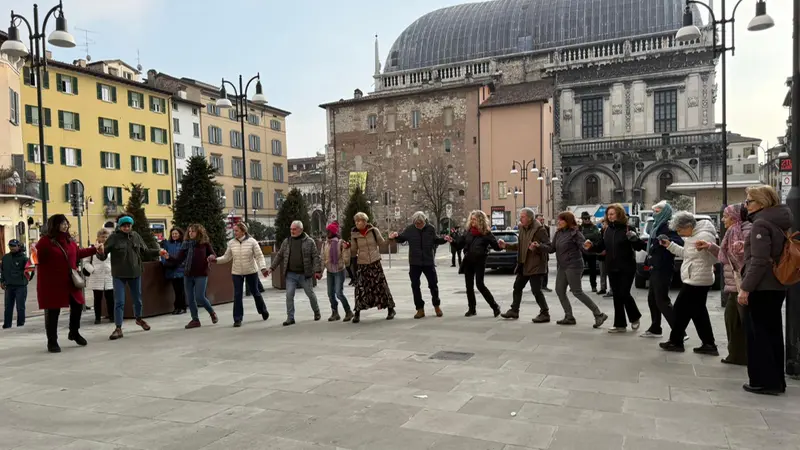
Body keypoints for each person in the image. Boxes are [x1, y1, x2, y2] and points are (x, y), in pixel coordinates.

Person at [738, 185, 791, 395]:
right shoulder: (778, 221)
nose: (746, 205)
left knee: (758, 335)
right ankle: (776, 380)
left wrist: (745, 288)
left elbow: (759, 261)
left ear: (761, 202)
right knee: (773, 333)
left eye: (749, 201)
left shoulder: (760, 224)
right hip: (776, 285)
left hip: (761, 286)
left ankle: (763, 381)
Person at [97, 215, 167, 341]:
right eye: (124, 226)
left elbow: (145, 251)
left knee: (138, 300)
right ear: (120, 226)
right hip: (119, 274)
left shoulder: (136, 236)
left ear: (131, 226)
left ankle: (139, 319)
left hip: (135, 273)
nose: (126, 228)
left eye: (128, 226)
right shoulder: (114, 238)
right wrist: (100, 252)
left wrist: (159, 252)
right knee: (119, 301)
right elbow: (103, 255)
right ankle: (118, 328)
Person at [658, 212, 718, 355]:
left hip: (697, 279)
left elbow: (713, 259)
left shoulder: (704, 235)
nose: (679, 233)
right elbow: (687, 253)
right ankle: (708, 344)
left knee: (680, 310)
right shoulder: (693, 235)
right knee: (698, 312)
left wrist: (705, 248)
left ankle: (676, 341)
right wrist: (670, 245)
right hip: (695, 277)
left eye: (680, 230)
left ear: (688, 226)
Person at [36, 214, 98, 352]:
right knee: (53, 311)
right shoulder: (45, 242)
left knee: (78, 305)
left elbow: (78, 254)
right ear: (54, 225)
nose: (65, 226)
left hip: (70, 281)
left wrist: (95, 249)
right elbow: (37, 259)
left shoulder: (69, 241)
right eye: (62, 223)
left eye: (66, 223)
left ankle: (74, 332)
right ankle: (52, 341)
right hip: (52, 283)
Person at [701, 203, 750, 365]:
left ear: (735, 217)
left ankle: (743, 356)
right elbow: (726, 256)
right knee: (732, 319)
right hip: (734, 285)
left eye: (725, 216)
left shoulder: (744, 231)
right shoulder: (733, 231)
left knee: (740, 321)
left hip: (742, 285)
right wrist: (710, 247)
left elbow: (744, 259)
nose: (723, 220)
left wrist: (741, 248)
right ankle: (737, 355)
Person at [585, 204, 644, 333]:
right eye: (608, 214)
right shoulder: (606, 230)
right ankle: (620, 324)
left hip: (627, 267)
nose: (610, 216)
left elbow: (639, 247)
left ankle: (634, 317)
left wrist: (634, 239)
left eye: (612, 214)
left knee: (624, 293)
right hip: (612, 267)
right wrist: (591, 247)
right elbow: (601, 246)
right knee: (616, 295)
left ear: (619, 214)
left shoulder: (628, 228)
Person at [548, 212, 608, 328]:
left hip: (573, 265)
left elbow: (584, 247)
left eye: (561, 220)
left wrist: (589, 246)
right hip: (563, 266)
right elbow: (551, 248)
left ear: (568, 221)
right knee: (559, 290)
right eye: (558, 219)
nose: (559, 222)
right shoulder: (559, 233)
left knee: (577, 292)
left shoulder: (575, 233)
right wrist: (538, 247)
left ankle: (599, 314)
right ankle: (569, 316)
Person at [389, 211, 451, 319]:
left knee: (433, 284)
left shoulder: (430, 229)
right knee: (415, 286)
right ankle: (420, 309)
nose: (419, 225)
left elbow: (436, 240)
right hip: (415, 262)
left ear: (424, 221)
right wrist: (396, 236)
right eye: (416, 223)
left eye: (420, 223)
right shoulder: (410, 229)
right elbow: (402, 238)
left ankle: (437, 306)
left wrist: (444, 240)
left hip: (428, 261)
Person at [210, 222, 269, 327]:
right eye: (234, 231)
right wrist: (216, 260)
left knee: (255, 292)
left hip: (251, 271)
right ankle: (237, 319)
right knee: (237, 295)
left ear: (243, 231)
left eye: (237, 231)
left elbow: (259, 256)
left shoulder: (252, 242)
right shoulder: (231, 243)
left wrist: (263, 268)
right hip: (237, 272)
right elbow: (226, 257)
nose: (235, 233)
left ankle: (263, 310)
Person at [641, 200, 683, 339]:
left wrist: (667, 240)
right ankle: (655, 328)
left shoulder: (668, 227)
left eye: (657, 211)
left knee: (662, 300)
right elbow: (652, 247)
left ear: (665, 212)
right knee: (652, 299)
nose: (654, 213)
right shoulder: (656, 227)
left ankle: (679, 331)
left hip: (663, 267)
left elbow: (678, 241)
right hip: (655, 267)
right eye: (654, 211)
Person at [268, 220, 323, 326]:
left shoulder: (309, 241)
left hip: (304, 274)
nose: (292, 231)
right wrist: (272, 268)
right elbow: (280, 255)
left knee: (310, 294)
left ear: (301, 230)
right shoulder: (287, 241)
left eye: (294, 229)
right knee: (289, 295)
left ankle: (316, 311)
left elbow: (315, 257)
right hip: (291, 274)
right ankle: (290, 318)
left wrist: (317, 271)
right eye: (291, 229)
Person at [501, 207, 551, 322]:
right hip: (523, 264)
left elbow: (549, 246)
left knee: (536, 290)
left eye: (522, 217)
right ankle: (514, 310)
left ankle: (545, 313)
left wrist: (537, 247)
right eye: (520, 217)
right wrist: (506, 245)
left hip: (536, 265)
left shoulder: (540, 229)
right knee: (517, 287)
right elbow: (521, 246)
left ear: (529, 218)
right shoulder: (522, 228)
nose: (520, 219)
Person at [167, 224, 218, 329]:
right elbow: (178, 259)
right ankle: (195, 320)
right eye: (189, 231)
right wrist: (168, 257)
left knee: (200, 297)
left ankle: (212, 312)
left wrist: (211, 257)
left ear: (199, 233)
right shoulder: (186, 244)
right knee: (190, 298)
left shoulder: (204, 244)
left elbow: (213, 254)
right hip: (188, 274)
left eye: (193, 231)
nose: (190, 233)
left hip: (201, 274)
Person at [457, 210, 505, 317]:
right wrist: (452, 240)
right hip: (468, 261)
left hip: (479, 261)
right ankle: (472, 309)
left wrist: (501, 246)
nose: (472, 221)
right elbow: (459, 244)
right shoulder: (468, 232)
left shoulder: (486, 233)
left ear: (480, 220)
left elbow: (496, 247)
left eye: (474, 219)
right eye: (471, 219)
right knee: (469, 286)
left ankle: (495, 306)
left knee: (480, 284)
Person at [349, 212, 395, 323]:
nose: (357, 223)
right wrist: (348, 247)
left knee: (381, 286)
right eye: (356, 221)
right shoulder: (354, 234)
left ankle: (390, 309)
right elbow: (354, 251)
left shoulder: (374, 231)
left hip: (375, 262)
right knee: (360, 288)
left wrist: (390, 239)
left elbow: (382, 244)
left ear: (365, 221)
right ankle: (357, 313)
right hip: (362, 263)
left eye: (359, 221)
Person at [321, 222, 353, 322]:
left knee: (339, 293)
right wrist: (320, 271)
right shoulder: (325, 244)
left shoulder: (340, 243)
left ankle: (348, 311)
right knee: (330, 293)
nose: (327, 233)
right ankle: (335, 313)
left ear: (334, 232)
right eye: (327, 231)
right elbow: (322, 258)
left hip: (339, 270)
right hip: (330, 271)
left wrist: (346, 249)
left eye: (329, 231)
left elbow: (346, 259)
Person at [84, 229, 114, 324]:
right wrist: (92, 270)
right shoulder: (92, 248)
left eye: (106, 237)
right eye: (102, 237)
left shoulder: (111, 247)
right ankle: (97, 318)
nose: (104, 239)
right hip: (96, 276)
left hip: (109, 276)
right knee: (97, 299)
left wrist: (113, 269)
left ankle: (112, 317)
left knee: (110, 298)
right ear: (98, 237)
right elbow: (86, 262)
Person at [2, 239, 29, 329]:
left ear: (18, 246)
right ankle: (7, 324)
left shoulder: (24, 258)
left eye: (14, 246)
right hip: (9, 286)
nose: (12, 248)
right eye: (10, 246)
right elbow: (3, 270)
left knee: (20, 306)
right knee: (8, 307)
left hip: (20, 286)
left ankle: (20, 324)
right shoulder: (5, 258)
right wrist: (2, 281)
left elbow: (30, 271)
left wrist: (25, 279)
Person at [160, 228, 187, 315]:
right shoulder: (167, 244)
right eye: (173, 234)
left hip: (181, 270)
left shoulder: (183, 244)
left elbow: (186, 256)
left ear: (180, 234)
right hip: (171, 270)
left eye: (176, 233)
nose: (174, 235)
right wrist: (165, 263)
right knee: (176, 290)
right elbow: (163, 255)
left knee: (181, 290)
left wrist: (181, 264)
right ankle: (177, 307)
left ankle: (182, 307)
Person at [579, 212, 600, 292]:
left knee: (593, 271)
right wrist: (589, 236)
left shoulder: (594, 227)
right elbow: (578, 237)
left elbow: (597, 236)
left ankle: (593, 286)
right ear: (582, 219)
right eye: (585, 218)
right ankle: (576, 285)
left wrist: (585, 237)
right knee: (579, 270)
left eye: (588, 218)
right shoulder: (580, 228)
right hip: (582, 252)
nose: (587, 220)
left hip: (592, 251)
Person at [536, 213, 552, 292]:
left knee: (546, 269)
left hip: (544, 251)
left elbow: (547, 241)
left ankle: (544, 285)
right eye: (540, 219)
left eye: (543, 220)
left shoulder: (546, 228)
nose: (542, 221)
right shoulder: (534, 228)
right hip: (537, 252)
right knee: (537, 270)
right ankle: (538, 285)